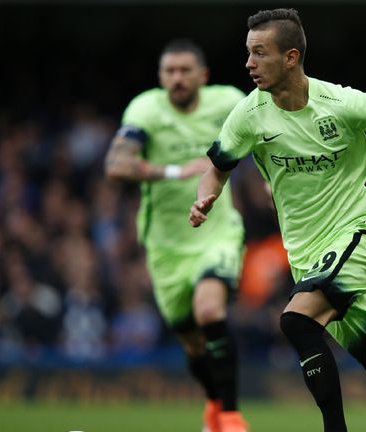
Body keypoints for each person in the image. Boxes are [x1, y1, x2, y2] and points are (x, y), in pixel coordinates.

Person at [190, 9, 366, 432]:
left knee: (295, 321)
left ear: (291, 57)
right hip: (307, 256)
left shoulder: (343, 104)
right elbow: (216, 168)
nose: (248, 64)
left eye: (259, 53)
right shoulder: (248, 115)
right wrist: (206, 198)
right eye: (247, 53)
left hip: (355, 235)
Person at [105, 39, 249, 432]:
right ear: (160, 77)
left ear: (203, 75)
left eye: (186, 71)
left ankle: (233, 417)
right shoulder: (145, 109)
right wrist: (174, 171)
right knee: (192, 342)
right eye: (170, 71)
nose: (178, 78)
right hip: (165, 243)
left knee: (210, 310)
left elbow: (268, 136)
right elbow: (117, 164)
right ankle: (214, 405)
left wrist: (273, 182)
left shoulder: (227, 102)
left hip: (216, 229)